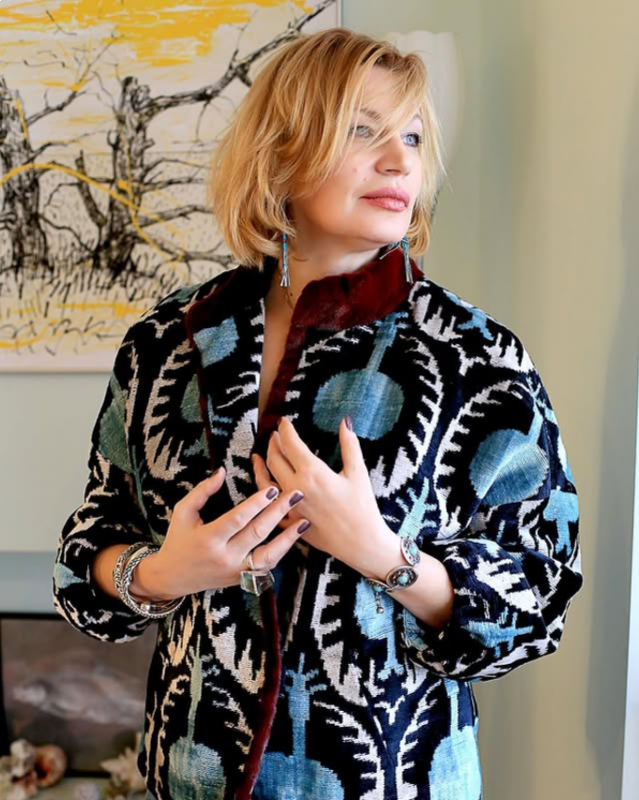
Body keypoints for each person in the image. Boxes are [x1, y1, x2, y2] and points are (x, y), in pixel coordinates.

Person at [53, 27, 583, 800]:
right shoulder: (167, 342)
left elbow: (538, 594)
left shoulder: (474, 356)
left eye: (411, 136)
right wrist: (164, 572)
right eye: (363, 131)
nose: (399, 161)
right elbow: (83, 558)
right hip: (194, 776)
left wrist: (383, 555)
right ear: (280, 152)